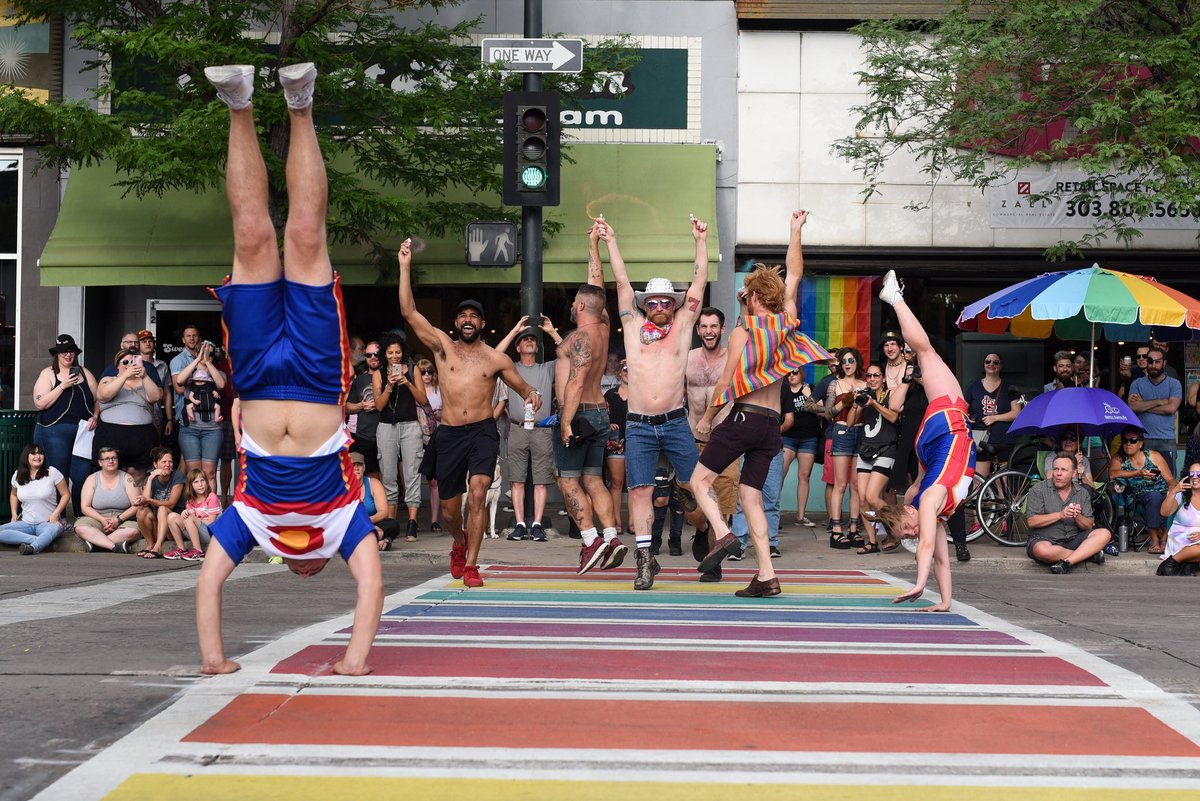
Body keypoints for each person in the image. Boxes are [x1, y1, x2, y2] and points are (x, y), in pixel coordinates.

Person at [196, 62, 383, 676]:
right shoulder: (343, 524)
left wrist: (214, 659)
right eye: (311, 570)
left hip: (252, 375)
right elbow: (370, 589)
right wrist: (355, 660)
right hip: (314, 372)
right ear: (322, 561)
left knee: (252, 236)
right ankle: (300, 102)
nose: (303, 567)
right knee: (303, 235)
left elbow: (208, 584)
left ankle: (239, 102)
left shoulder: (251, 524)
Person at [694, 210, 831, 597]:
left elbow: (726, 382)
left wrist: (707, 418)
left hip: (742, 419)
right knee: (751, 498)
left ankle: (721, 536)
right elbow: (795, 273)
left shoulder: (742, 332)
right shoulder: (787, 323)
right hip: (771, 428)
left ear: (752, 296)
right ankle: (767, 576)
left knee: (698, 481)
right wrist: (794, 230)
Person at [401, 247, 539, 589]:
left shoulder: (494, 359)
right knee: (450, 510)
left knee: (478, 493)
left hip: (482, 431)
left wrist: (531, 395)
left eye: (473, 316)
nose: (467, 320)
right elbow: (408, 310)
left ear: (482, 324)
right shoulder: (441, 347)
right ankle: (459, 542)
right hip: (448, 434)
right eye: (462, 315)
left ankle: (473, 565)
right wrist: (404, 265)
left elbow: (522, 387)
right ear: (456, 322)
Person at [604, 215, 710, 589]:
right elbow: (619, 282)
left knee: (697, 487)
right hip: (639, 424)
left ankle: (705, 534)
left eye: (668, 300)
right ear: (646, 304)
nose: (661, 305)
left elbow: (698, 284)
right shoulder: (632, 325)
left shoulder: (682, 326)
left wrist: (700, 240)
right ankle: (645, 560)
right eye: (655, 300)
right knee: (641, 491)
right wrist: (611, 240)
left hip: (676, 422)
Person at [872, 270, 977, 612]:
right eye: (909, 536)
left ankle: (895, 297)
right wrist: (944, 602)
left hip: (947, 429)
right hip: (935, 442)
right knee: (926, 352)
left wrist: (919, 584)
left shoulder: (929, 500)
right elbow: (940, 560)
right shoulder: (928, 503)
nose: (915, 533)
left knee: (926, 351)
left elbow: (928, 546)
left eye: (907, 530)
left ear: (906, 512)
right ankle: (894, 298)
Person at [555, 224, 626, 576]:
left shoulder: (581, 336)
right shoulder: (603, 325)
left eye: (574, 302)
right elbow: (597, 285)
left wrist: (565, 421)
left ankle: (590, 540)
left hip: (580, 413)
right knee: (594, 479)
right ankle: (612, 537)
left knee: (567, 480)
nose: (571, 305)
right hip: (601, 412)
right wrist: (593, 243)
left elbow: (575, 380)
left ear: (580, 305)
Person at [684, 306, 740, 581]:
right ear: (698, 330)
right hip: (692, 439)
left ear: (722, 329)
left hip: (725, 441)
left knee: (724, 505)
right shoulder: (688, 359)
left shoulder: (732, 360)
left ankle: (714, 561)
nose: (708, 331)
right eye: (704, 326)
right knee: (692, 506)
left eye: (713, 326)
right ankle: (702, 528)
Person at [494, 315, 561, 542]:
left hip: (542, 429)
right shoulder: (510, 368)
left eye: (533, 339)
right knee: (517, 481)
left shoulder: (547, 368)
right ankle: (521, 524)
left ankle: (538, 524)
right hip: (517, 427)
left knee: (541, 480)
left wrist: (552, 332)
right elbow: (494, 355)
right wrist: (515, 329)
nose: (530, 341)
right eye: (525, 339)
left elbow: (571, 356)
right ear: (518, 346)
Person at [33, 334, 98, 517]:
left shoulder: (84, 372)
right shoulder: (48, 373)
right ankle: (58, 518)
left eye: (71, 351)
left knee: (82, 475)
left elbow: (98, 397)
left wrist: (95, 415)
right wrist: (62, 386)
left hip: (82, 432)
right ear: (57, 354)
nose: (68, 355)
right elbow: (40, 403)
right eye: (63, 352)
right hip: (54, 430)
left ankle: (80, 515)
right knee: (58, 475)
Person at [372, 333, 427, 538]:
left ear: (402, 352)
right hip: (386, 426)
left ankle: (412, 522)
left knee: (412, 474)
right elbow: (378, 406)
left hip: (410, 426)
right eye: (390, 352)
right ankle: (391, 523)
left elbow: (423, 399)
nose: (394, 356)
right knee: (388, 475)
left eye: (397, 352)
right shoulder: (379, 373)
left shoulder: (413, 369)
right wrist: (389, 386)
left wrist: (407, 382)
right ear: (384, 354)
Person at [1025, 453, 1111, 574]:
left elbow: (1088, 526)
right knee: (1041, 550)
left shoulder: (1082, 492)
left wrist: (1077, 516)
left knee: (1104, 533)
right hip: (1045, 539)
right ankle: (1087, 555)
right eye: (1055, 469)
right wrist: (1060, 515)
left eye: (1064, 470)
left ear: (1074, 473)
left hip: (1073, 540)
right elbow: (1032, 521)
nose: (1058, 473)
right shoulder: (1038, 489)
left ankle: (1067, 562)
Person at [851, 362, 906, 554]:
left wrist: (874, 403)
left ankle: (902, 524)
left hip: (886, 449)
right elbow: (850, 422)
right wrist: (856, 403)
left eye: (876, 375)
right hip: (866, 449)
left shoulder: (891, 395)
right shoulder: (864, 396)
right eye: (869, 376)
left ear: (883, 378)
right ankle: (873, 542)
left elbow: (893, 417)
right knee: (862, 500)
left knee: (873, 496)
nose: (872, 379)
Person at [94, 348, 163, 483]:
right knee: (112, 475)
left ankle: (135, 503)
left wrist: (144, 376)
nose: (129, 365)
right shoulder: (108, 379)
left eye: (133, 362)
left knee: (136, 476)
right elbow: (103, 395)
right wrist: (124, 376)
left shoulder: (145, 381)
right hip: (111, 435)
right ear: (117, 366)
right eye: (125, 362)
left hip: (141, 437)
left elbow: (156, 397)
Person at [825, 346, 866, 548]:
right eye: (844, 361)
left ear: (857, 363)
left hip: (861, 432)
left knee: (856, 485)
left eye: (851, 360)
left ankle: (854, 528)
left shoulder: (865, 384)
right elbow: (828, 413)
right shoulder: (835, 384)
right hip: (841, 432)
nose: (847, 364)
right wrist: (846, 402)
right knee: (840, 484)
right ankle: (836, 529)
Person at [1109, 426, 1172, 554]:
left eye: (1132, 440)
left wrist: (1173, 491)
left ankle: (1165, 539)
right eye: (1125, 440)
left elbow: (1171, 480)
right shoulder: (1119, 458)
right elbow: (1112, 474)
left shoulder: (1153, 456)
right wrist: (1138, 473)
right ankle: (1154, 539)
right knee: (1154, 497)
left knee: (1175, 497)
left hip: (1162, 491)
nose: (1128, 443)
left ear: (1140, 443)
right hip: (1136, 496)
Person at [0, 444, 69, 555]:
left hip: (48, 523)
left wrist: (56, 513)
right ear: (26, 456)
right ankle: (37, 540)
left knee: (54, 529)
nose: (38, 456)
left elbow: (65, 494)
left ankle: (32, 548)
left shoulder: (52, 472)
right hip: (25, 523)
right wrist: (13, 514)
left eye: (40, 453)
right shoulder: (17, 475)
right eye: (33, 453)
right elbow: (13, 495)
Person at [964, 352, 1023, 479]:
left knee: (1001, 481)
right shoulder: (973, 386)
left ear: (1001, 366)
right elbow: (963, 407)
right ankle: (981, 500)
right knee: (979, 479)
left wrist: (995, 417)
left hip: (1003, 439)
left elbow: (1016, 412)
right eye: (988, 361)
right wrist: (966, 417)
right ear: (984, 365)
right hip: (981, 439)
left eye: (995, 362)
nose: (991, 364)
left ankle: (1000, 499)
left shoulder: (1009, 387)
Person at [73, 446, 143, 553]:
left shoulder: (127, 478)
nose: (111, 461)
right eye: (107, 459)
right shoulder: (92, 479)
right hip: (98, 519)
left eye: (114, 458)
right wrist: (102, 519)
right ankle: (113, 546)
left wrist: (118, 519)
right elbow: (85, 507)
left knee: (134, 531)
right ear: (100, 462)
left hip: (123, 520)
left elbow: (137, 505)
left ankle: (97, 544)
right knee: (80, 527)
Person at [1127, 346, 1182, 474]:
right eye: (1150, 361)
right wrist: (1159, 401)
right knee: (1143, 481)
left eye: (1157, 362)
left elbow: (1171, 408)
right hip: (1143, 440)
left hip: (1166, 439)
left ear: (1164, 363)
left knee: (1168, 481)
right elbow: (1132, 407)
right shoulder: (1137, 383)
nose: (1153, 365)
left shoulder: (1174, 384)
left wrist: (1143, 405)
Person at [780, 368, 822, 529]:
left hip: (808, 437)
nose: (791, 375)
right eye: (789, 373)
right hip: (788, 436)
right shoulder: (783, 390)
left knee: (804, 476)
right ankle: (772, 514)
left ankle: (800, 516)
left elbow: (821, 409)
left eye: (795, 372)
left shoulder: (810, 387)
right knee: (779, 473)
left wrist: (808, 395)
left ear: (801, 374)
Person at [137, 447, 189, 559]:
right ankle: (150, 544)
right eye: (164, 462)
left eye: (170, 461)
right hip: (158, 524)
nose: (168, 465)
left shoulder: (177, 476)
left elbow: (171, 504)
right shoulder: (150, 479)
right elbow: (144, 503)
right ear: (155, 465)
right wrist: (150, 478)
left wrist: (149, 500)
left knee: (162, 508)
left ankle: (158, 546)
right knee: (142, 511)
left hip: (173, 526)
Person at [346, 340, 382, 480]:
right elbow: (348, 407)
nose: (372, 357)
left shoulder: (389, 377)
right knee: (369, 477)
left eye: (376, 354)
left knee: (389, 477)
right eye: (368, 355)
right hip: (364, 437)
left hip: (386, 434)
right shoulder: (359, 380)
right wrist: (361, 405)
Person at [415, 356, 443, 532]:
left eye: (429, 371)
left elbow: (448, 410)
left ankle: (434, 520)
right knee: (412, 480)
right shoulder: (413, 390)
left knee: (434, 482)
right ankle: (413, 519)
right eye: (422, 371)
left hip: (435, 436)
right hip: (414, 436)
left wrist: (440, 413)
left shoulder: (439, 390)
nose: (426, 375)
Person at [1157, 462, 1200, 576]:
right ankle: (1171, 562)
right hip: (1181, 539)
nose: (1195, 477)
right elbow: (1164, 513)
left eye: (1199, 474)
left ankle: (1185, 563)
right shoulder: (1181, 495)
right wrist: (1174, 492)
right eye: (1191, 474)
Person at [350, 451, 398, 550]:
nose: (356, 468)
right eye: (352, 465)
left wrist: (367, 521)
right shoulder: (340, 486)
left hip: (370, 523)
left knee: (393, 525)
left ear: (364, 467)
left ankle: (362, 541)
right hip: (349, 525)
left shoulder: (374, 483)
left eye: (359, 465)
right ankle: (376, 543)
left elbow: (384, 512)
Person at [169, 468, 219, 560]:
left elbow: (211, 524)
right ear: (190, 485)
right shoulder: (190, 500)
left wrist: (194, 518)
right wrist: (185, 513)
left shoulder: (211, 497)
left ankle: (198, 551)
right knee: (171, 516)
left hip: (211, 534)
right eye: (196, 482)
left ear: (206, 482)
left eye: (202, 480)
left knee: (189, 517)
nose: (200, 484)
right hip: (196, 533)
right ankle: (181, 548)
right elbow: (190, 522)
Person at [604, 357, 629, 537]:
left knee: (637, 485)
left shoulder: (641, 393)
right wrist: (609, 424)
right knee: (616, 483)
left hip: (637, 440)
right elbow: (604, 416)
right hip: (616, 442)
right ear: (620, 373)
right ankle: (616, 522)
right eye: (626, 369)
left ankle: (635, 524)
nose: (629, 373)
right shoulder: (610, 394)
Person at [137, 330, 175, 441]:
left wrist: (169, 419)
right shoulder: (132, 365)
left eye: (150, 341)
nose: (148, 343)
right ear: (139, 345)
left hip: (157, 415)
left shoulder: (162, 365)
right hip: (138, 414)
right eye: (144, 341)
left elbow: (167, 393)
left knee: (156, 448)